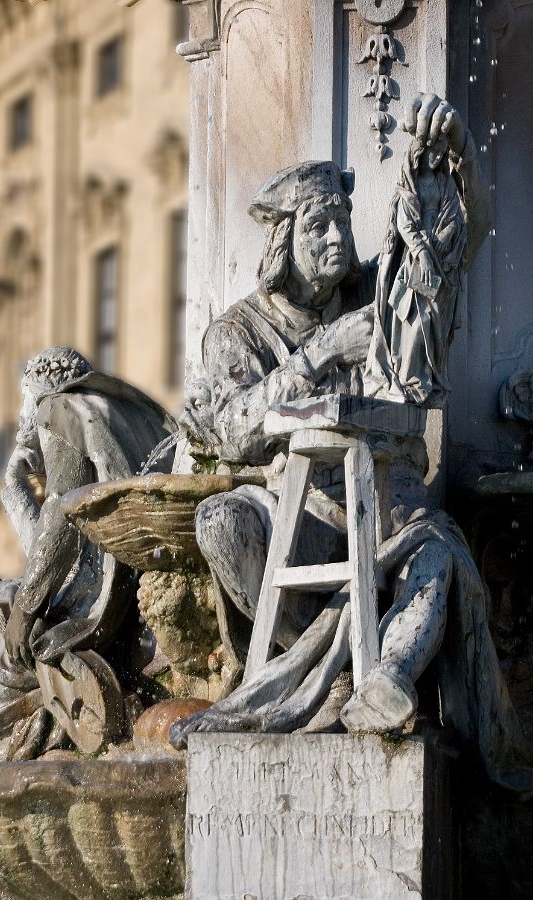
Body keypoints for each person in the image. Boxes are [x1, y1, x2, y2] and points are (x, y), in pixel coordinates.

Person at [171, 96, 532, 790]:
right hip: (296, 519)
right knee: (220, 521)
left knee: (439, 549)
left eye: (342, 220)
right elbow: (232, 431)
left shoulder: (377, 292)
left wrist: (461, 159)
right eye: (319, 225)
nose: (338, 235)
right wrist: (320, 354)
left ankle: (386, 677)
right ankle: (310, 666)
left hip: (383, 514)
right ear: (284, 243)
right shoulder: (237, 332)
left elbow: (465, 241)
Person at [0, 347, 175, 761]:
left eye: (24, 396)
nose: (23, 410)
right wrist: (13, 489)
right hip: (106, 586)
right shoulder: (112, 411)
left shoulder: (58, 409)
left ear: (39, 389)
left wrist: (26, 609)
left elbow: (60, 518)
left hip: (94, 604)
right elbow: (49, 548)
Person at [364, 131, 467, 405]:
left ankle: (426, 379)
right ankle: (410, 380)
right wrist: (422, 252)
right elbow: (404, 223)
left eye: (441, 153)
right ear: (420, 151)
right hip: (418, 261)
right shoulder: (409, 184)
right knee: (415, 321)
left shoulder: (445, 183)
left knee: (435, 323)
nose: (436, 158)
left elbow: (455, 215)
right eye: (433, 151)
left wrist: (448, 234)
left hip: (442, 259)